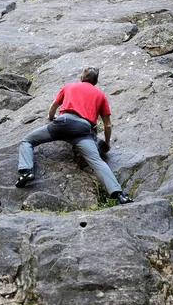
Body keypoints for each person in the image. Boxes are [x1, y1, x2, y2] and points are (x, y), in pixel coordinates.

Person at [16, 67, 133, 205]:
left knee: (27, 141)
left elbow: (53, 107)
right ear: (95, 82)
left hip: (62, 124)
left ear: (82, 78)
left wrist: (51, 118)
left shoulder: (69, 87)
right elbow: (107, 125)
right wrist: (107, 143)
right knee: (96, 161)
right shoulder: (100, 95)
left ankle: (26, 170)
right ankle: (119, 194)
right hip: (82, 131)